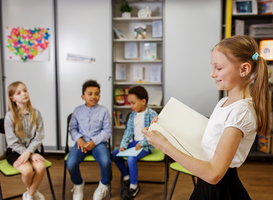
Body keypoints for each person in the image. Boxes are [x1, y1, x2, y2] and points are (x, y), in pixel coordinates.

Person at [142, 35, 271, 200]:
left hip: (220, 190)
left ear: (244, 70)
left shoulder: (241, 112)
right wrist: (166, 131)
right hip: (205, 186)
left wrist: (164, 145)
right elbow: (208, 142)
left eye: (218, 68)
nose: (212, 74)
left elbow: (213, 174)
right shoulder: (224, 102)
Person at [66, 80, 112, 200]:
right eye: (90, 94)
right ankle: (78, 183)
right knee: (70, 163)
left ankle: (103, 184)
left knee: (106, 162)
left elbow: (107, 131)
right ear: (83, 96)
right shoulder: (77, 111)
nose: (94, 97)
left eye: (96, 94)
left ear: (99, 96)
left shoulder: (103, 111)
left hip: (98, 143)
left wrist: (94, 141)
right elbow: (73, 129)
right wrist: (79, 139)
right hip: (82, 143)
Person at [112, 86, 158, 200]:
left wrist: (142, 143)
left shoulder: (152, 114)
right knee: (114, 154)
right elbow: (128, 132)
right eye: (130, 103)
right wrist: (123, 145)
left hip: (146, 145)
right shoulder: (132, 115)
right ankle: (127, 177)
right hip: (133, 144)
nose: (131, 106)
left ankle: (134, 186)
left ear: (143, 101)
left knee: (130, 159)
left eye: (133, 103)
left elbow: (154, 132)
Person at [4, 81, 46, 200]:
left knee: (40, 167)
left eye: (25, 90)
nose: (24, 93)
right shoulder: (10, 116)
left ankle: (29, 195)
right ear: (12, 98)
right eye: (19, 92)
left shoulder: (36, 113)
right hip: (15, 151)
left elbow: (39, 136)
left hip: (32, 149)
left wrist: (30, 153)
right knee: (27, 171)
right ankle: (33, 191)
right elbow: (11, 141)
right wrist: (28, 154)